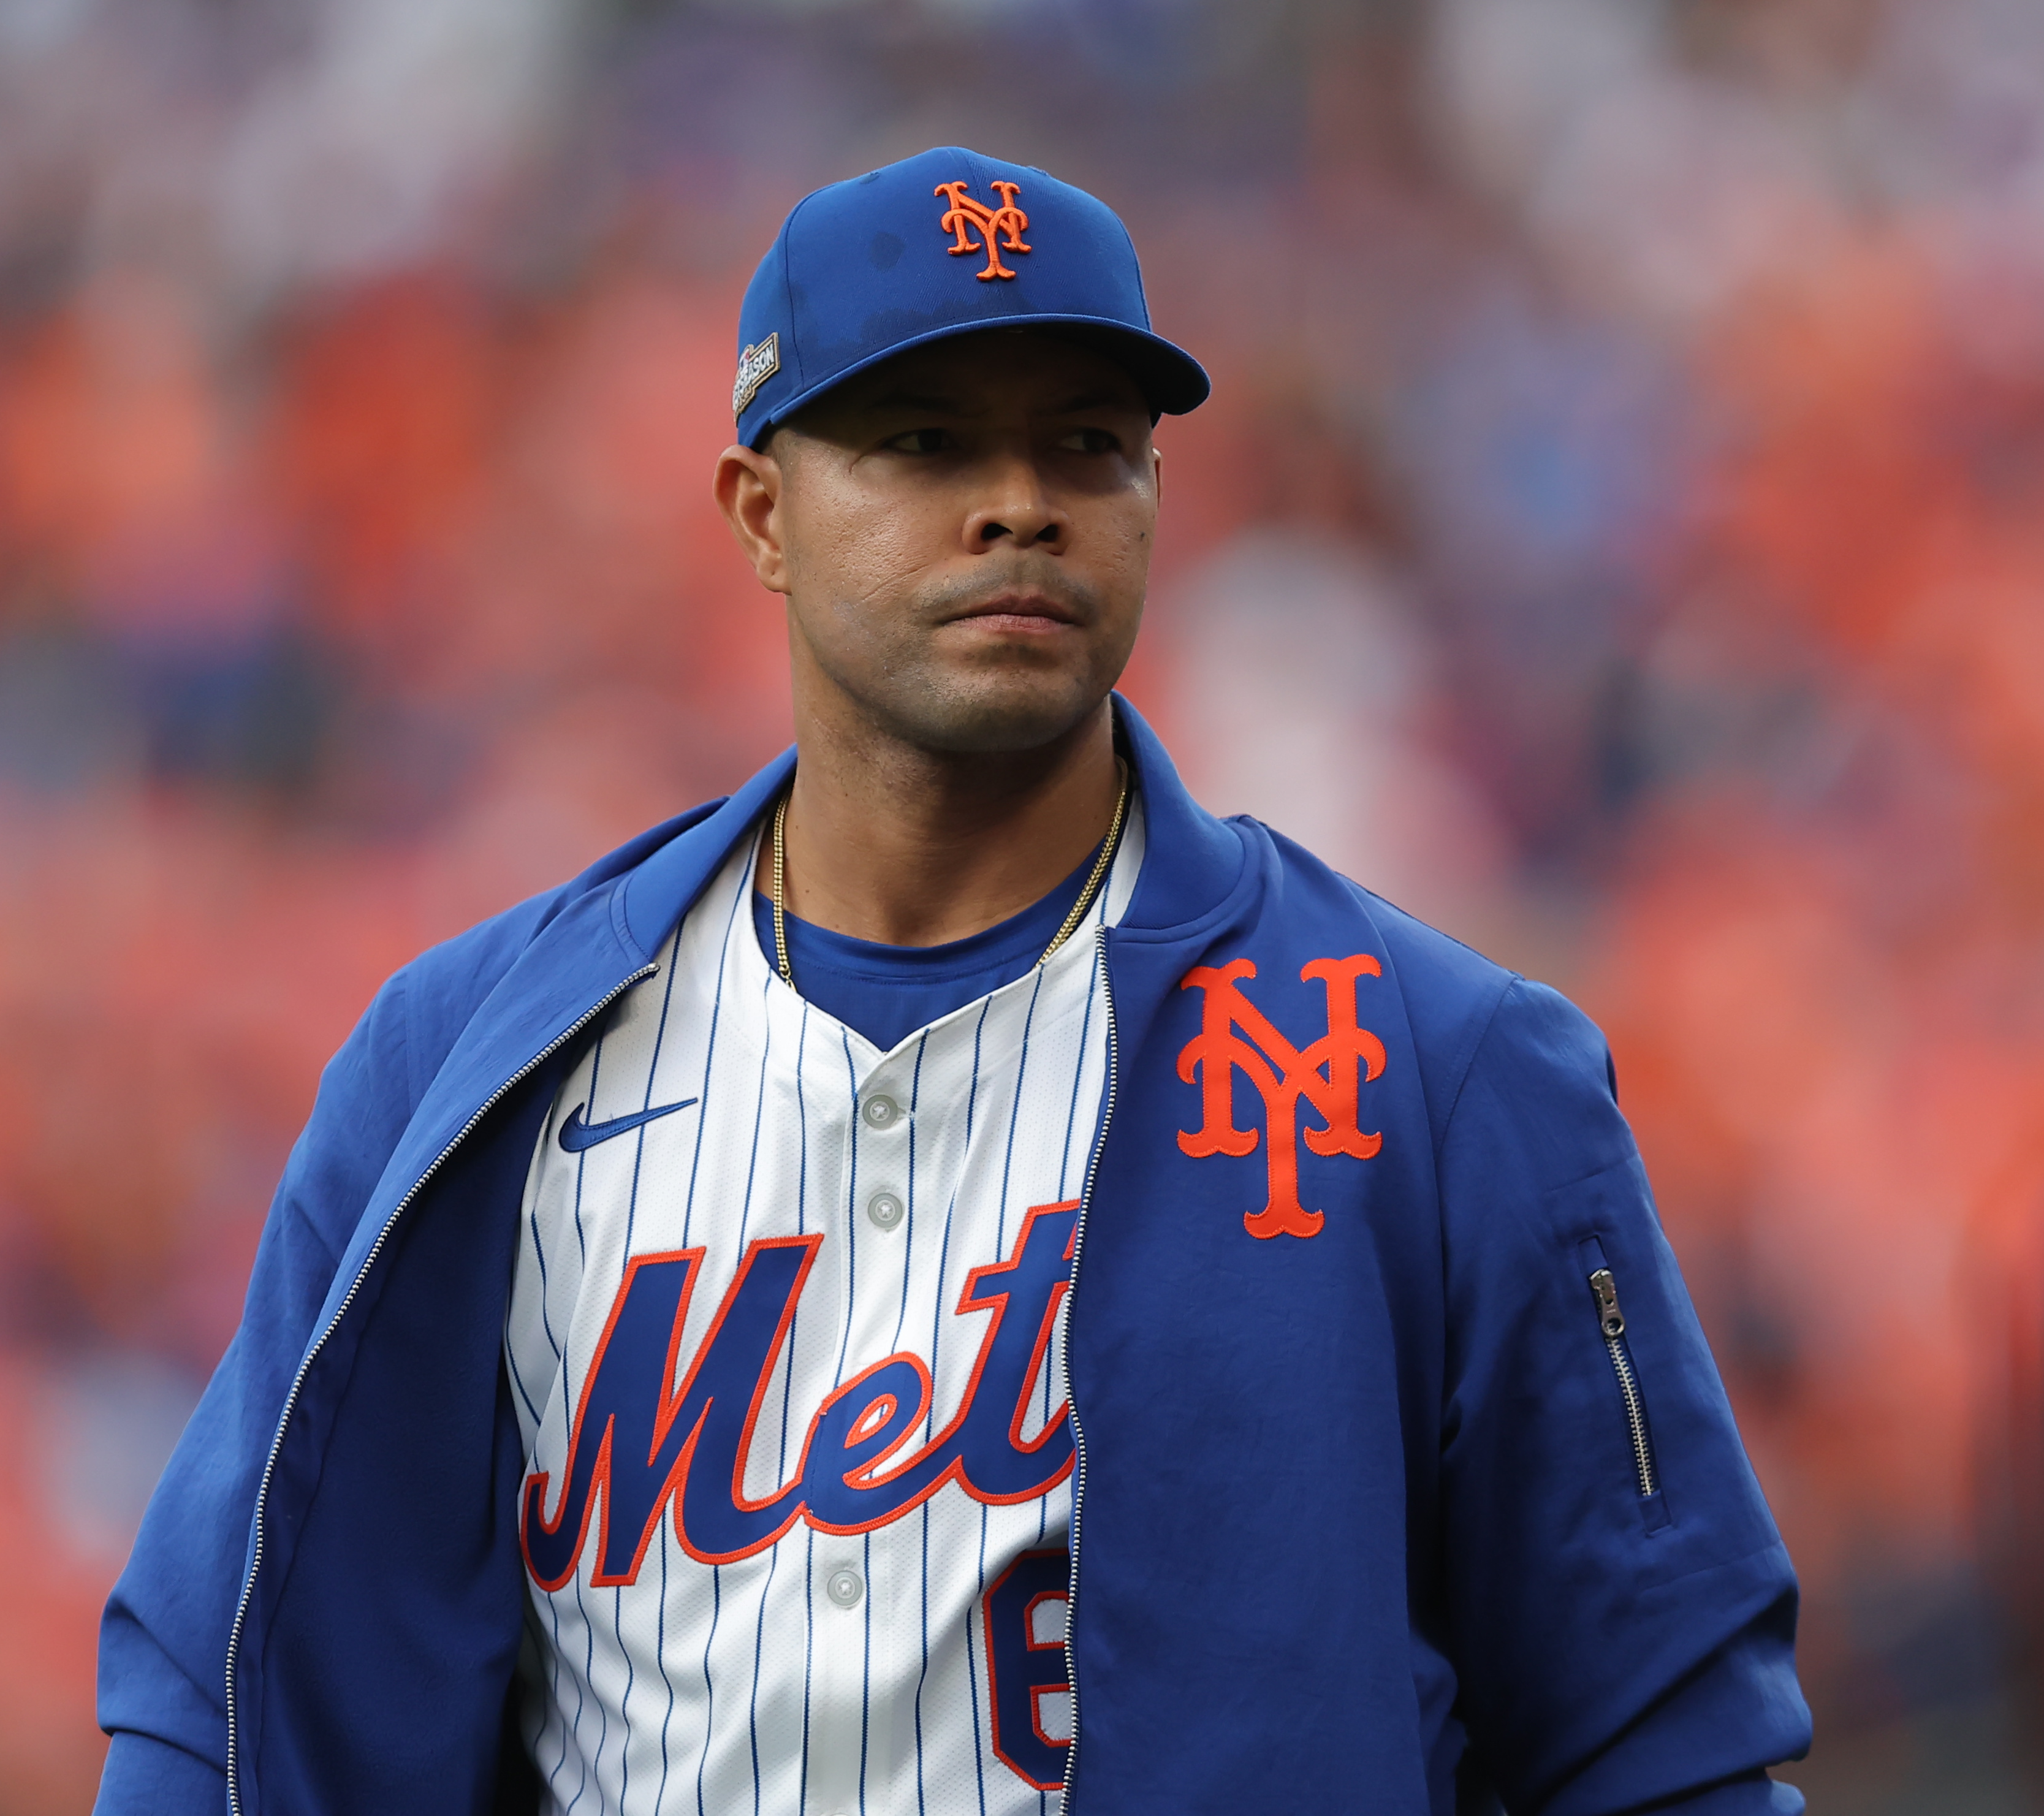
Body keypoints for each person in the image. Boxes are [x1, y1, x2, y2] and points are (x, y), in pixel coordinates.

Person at [93, 146, 1810, 1815]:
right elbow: (212, 1692)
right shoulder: (465, 1062)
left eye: (1087, 445)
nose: (1019, 503)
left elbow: (1664, 1739)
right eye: (924, 444)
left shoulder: (1434, 1067)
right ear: (761, 511)